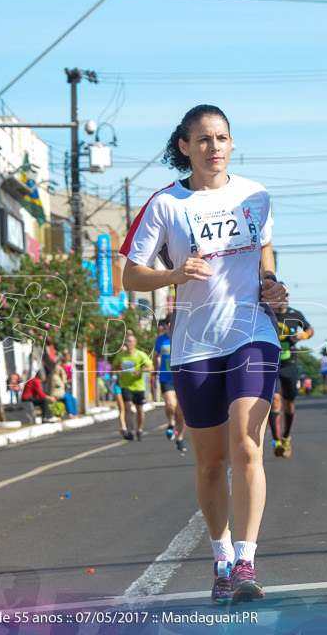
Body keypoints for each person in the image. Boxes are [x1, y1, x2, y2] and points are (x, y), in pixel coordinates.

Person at [120, 104, 285, 605]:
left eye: (222, 137)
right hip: (195, 345)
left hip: (252, 334)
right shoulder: (165, 205)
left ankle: (245, 560)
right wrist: (174, 274)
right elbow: (130, 276)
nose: (215, 147)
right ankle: (219, 558)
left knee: (248, 444)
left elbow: (265, 253)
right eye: (204, 139)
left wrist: (272, 283)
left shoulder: (255, 196)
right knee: (211, 462)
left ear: (232, 143)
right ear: (185, 147)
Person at [270, 294, 314, 459]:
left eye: (286, 296)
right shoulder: (266, 314)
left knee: (289, 403)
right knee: (274, 400)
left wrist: (302, 336)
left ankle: (286, 437)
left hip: (290, 364)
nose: (283, 299)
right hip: (271, 364)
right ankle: (276, 441)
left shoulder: (295, 314)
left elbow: (310, 330)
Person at [153, 316, 186, 453]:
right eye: (168, 324)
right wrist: (156, 369)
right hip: (166, 377)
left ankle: (180, 437)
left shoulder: (184, 337)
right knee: (170, 404)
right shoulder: (161, 340)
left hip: (183, 377)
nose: (171, 327)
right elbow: (156, 355)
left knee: (182, 411)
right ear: (166, 326)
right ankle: (171, 423)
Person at [111, 332, 152, 441]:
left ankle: (139, 429)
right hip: (126, 385)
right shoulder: (121, 356)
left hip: (139, 387)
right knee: (128, 407)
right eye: (126, 341)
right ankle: (129, 431)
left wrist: (140, 370)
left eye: (130, 341)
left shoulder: (140, 355)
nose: (127, 343)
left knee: (139, 410)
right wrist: (117, 371)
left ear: (135, 343)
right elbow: (114, 366)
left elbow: (150, 367)